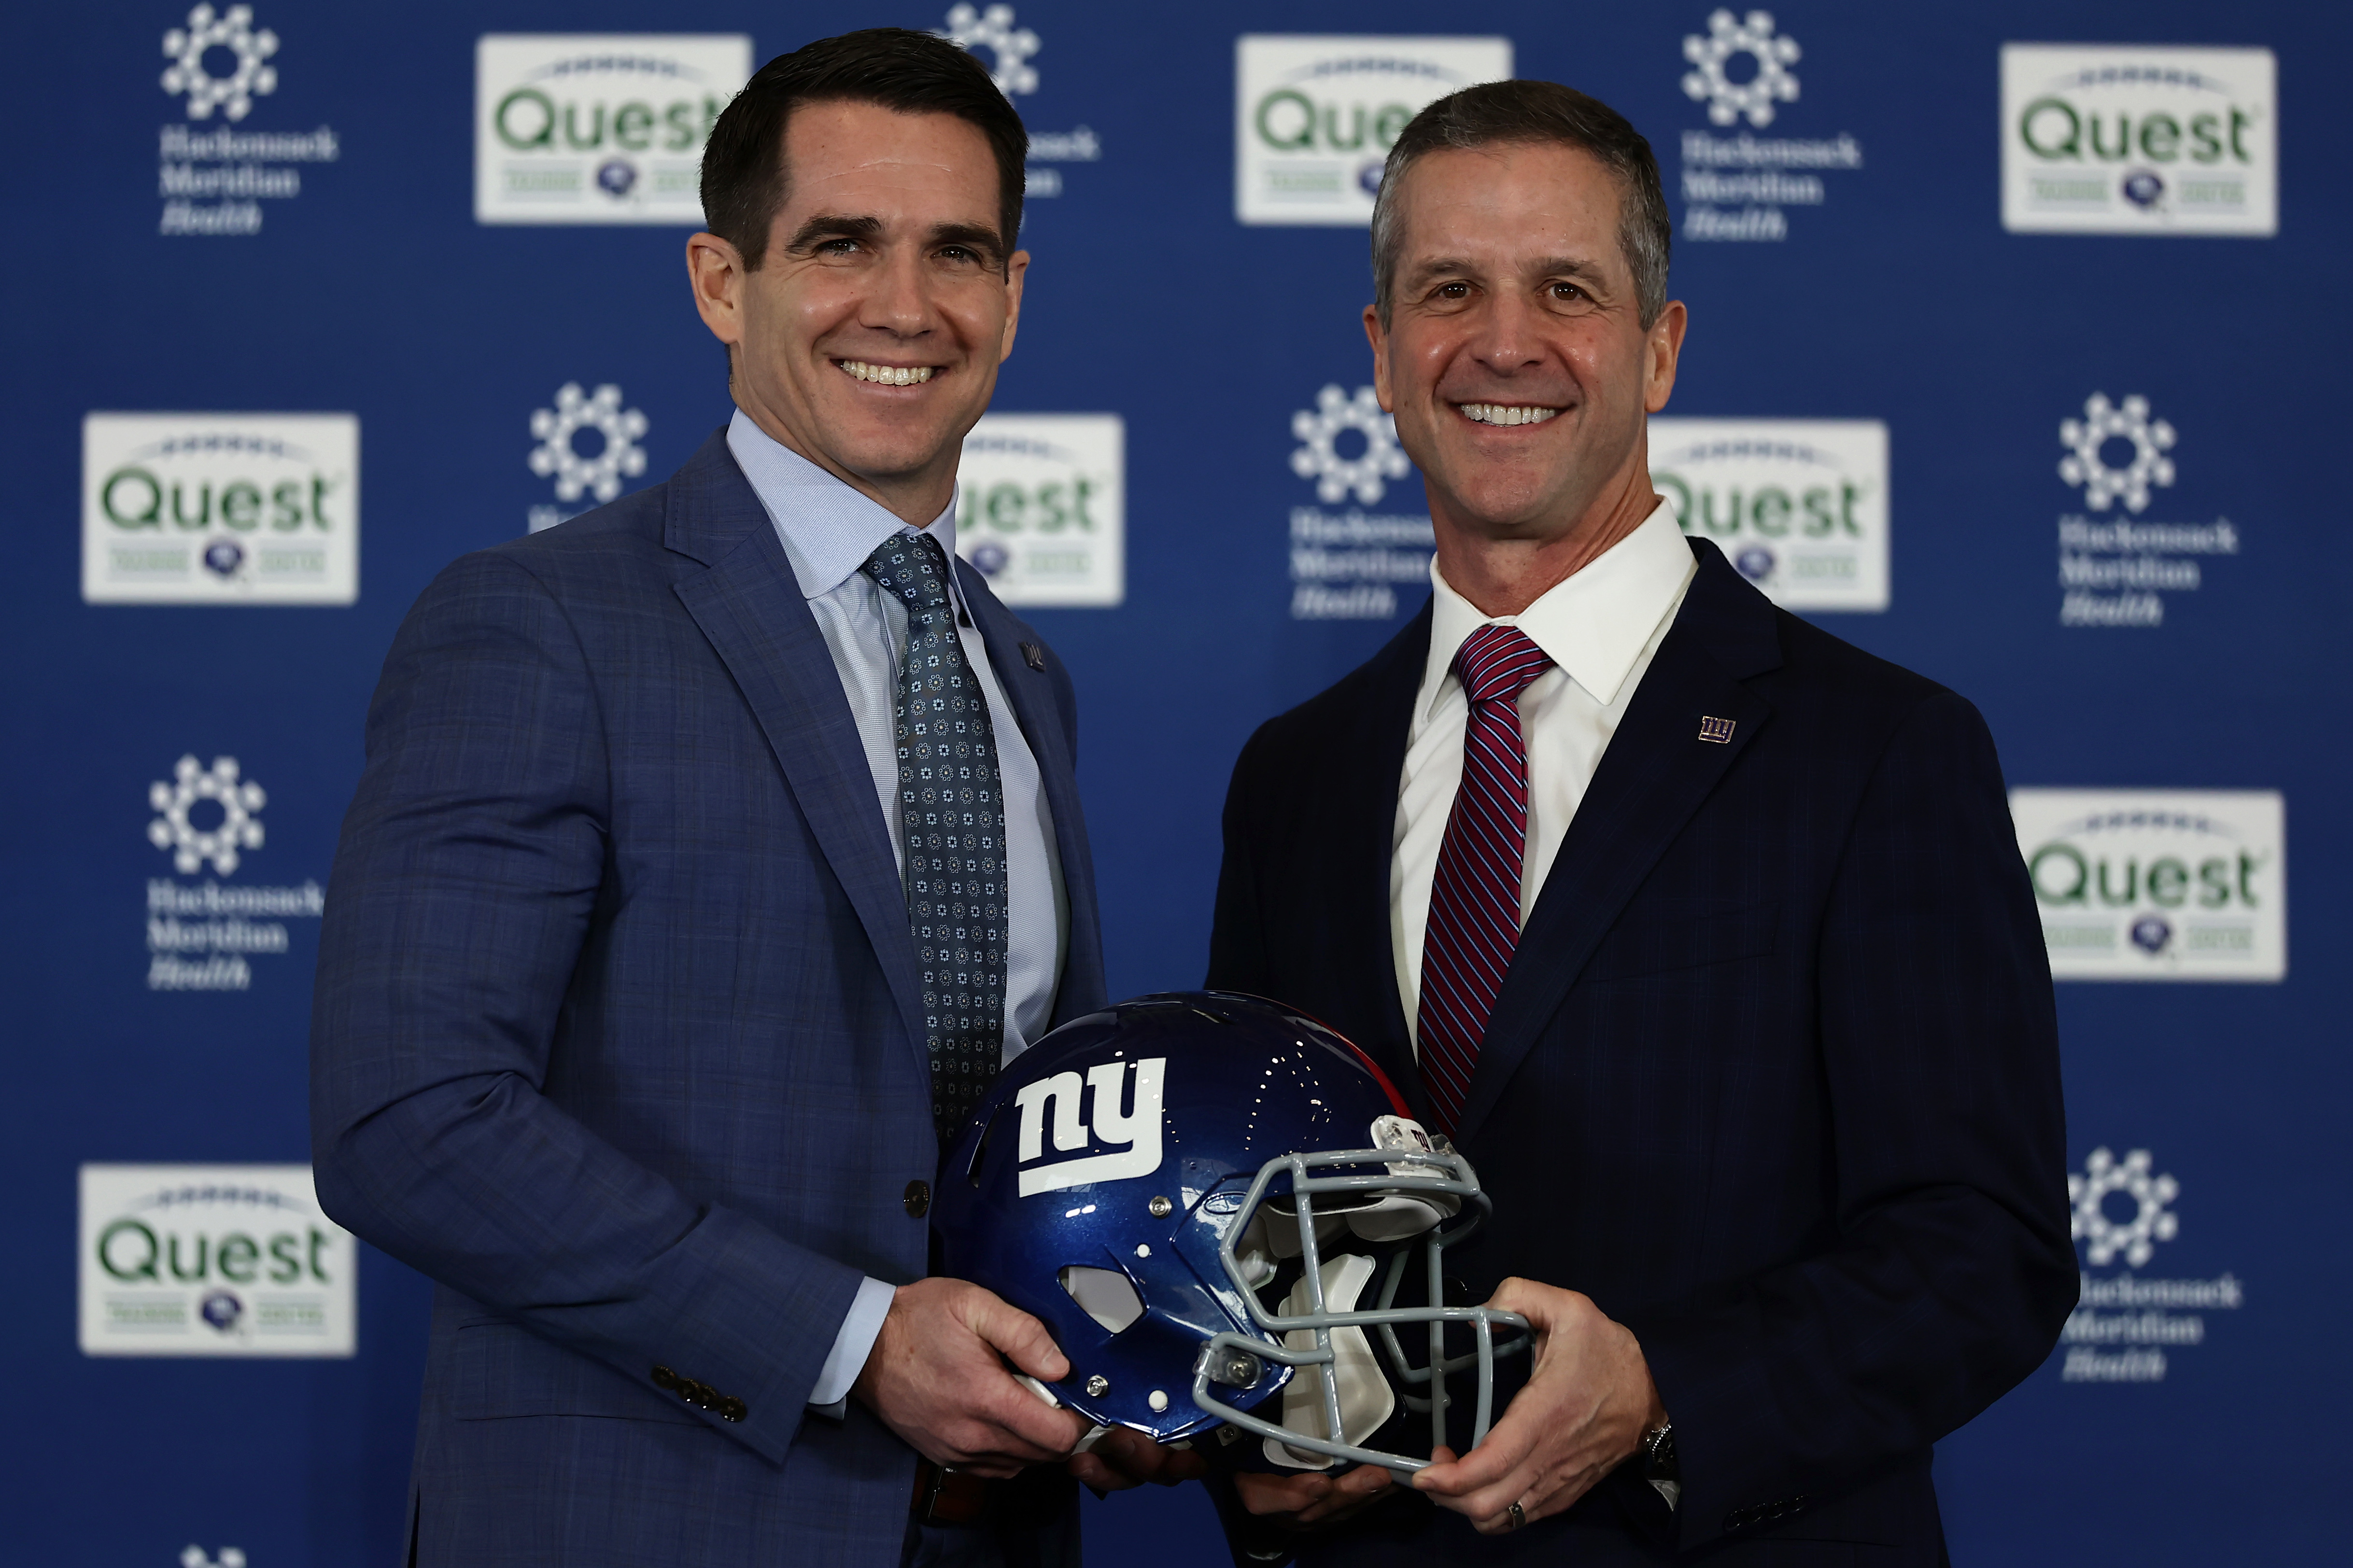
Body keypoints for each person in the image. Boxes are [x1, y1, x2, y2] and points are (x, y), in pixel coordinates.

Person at [310, 29, 1185, 1568]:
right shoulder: (541, 621)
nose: (905, 308)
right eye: (841, 244)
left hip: (994, 1530)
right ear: (723, 282)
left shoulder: (1018, 670)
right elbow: (411, 1117)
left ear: (1014, 295)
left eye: (956, 254)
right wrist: (854, 1343)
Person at [1202, 80, 2074, 1565]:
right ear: (1380, 355)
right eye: (1447, 289)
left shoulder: (1878, 750)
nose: (1502, 343)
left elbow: (1979, 1252)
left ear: (1658, 348)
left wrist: (1663, 1388)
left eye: (1567, 290)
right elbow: (1271, 1212)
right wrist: (1246, 1438)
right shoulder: (1294, 772)